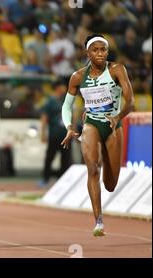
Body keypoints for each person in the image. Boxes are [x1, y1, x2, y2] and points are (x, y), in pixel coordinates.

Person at [60, 34, 134, 236]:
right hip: (91, 124)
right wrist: (68, 126)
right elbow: (67, 106)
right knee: (92, 168)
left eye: (103, 50)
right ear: (88, 52)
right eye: (96, 50)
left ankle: (105, 184)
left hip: (113, 126)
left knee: (110, 184)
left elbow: (131, 102)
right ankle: (98, 221)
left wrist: (118, 117)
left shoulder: (117, 70)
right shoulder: (77, 77)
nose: (100, 54)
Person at [39, 81, 72, 187]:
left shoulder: (65, 100)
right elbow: (44, 118)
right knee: (50, 157)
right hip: (54, 134)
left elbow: (71, 115)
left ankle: (64, 179)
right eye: (63, 86)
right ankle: (45, 178)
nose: (64, 88)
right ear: (58, 88)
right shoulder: (50, 101)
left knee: (65, 159)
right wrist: (43, 133)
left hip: (65, 134)